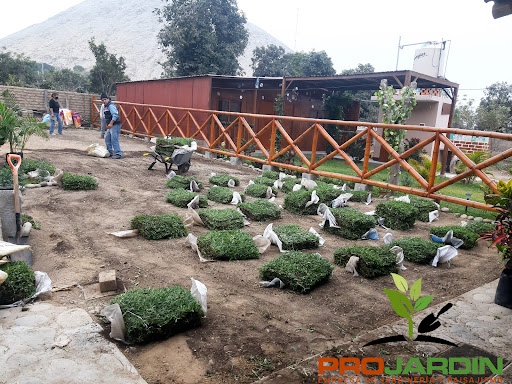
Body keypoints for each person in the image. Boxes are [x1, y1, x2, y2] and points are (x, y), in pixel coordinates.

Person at [101, 93, 122, 159]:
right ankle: (110, 152)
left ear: (108, 99)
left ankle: (118, 154)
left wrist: (111, 123)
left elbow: (115, 115)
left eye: (104, 99)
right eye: (102, 100)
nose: (104, 101)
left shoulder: (111, 106)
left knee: (114, 139)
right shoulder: (105, 106)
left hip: (115, 124)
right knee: (107, 139)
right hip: (111, 125)